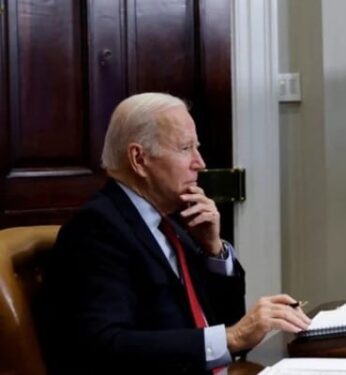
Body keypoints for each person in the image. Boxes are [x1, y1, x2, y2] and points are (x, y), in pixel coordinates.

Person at [41, 93, 311, 374]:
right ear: (139, 159)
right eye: (185, 148)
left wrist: (213, 250)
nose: (200, 163)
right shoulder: (97, 229)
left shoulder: (175, 221)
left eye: (197, 147)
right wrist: (232, 337)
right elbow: (105, 346)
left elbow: (226, 323)